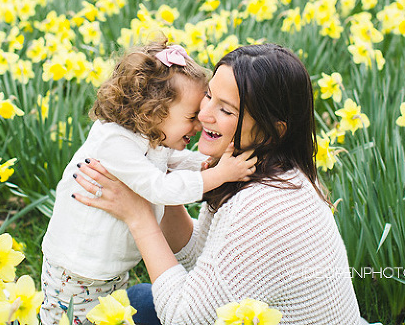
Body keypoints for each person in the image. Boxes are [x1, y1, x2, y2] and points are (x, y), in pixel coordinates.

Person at [72, 43, 368, 325]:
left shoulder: (262, 211)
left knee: (139, 305)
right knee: (138, 300)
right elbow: (203, 259)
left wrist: (139, 216)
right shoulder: (261, 169)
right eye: (209, 96)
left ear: (271, 131)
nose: (203, 114)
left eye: (226, 110)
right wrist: (157, 178)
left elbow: (183, 319)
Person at [40, 40, 257, 325]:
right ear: (153, 113)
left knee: (111, 319)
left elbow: (169, 163)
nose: (200, 124)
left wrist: (207, 165)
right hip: (78, 273)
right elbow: (159, 187)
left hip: (108, 271)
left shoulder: (148, 136)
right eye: (192, 117)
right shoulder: (115, 142)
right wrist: (218, 175)